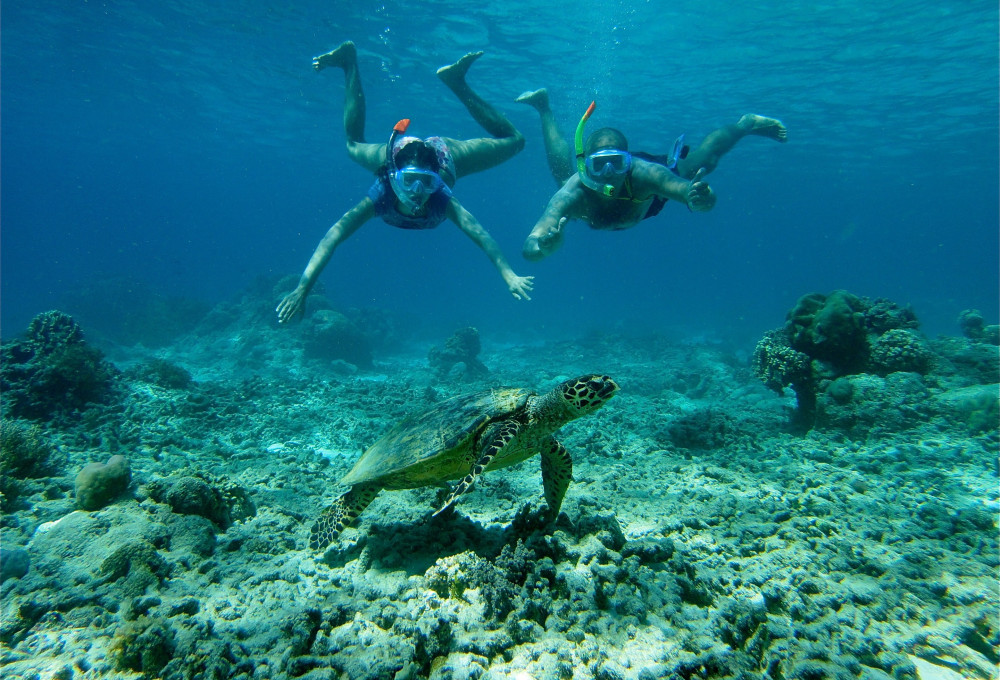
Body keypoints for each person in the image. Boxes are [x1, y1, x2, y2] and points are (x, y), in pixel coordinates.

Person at [277, 42, 533, 324]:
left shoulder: (439, 195)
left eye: (426, 182)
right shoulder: (383, 191)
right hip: (397, 153)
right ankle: (349, 61)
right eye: (410, 182)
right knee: (352, 145)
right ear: (392, 177)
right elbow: (334, 235)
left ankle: (456, 82)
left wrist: (508, 274)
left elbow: (480, 233)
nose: (419, 191)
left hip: (441, 153)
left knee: (516, 141)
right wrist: (303, 288)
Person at [515, 89, 787, 261]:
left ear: (629, 161)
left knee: (697, 163)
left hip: (648, 197)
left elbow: (688, 192)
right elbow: (531, 244)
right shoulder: (572, 193)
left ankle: (746, 124)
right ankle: (543, 107)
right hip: (595, 191)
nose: (609, 173)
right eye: (600, 165)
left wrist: (703, 198)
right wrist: (543, 247)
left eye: (617, 163)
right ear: (586, 165)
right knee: (561, 176)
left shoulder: (646, 174)